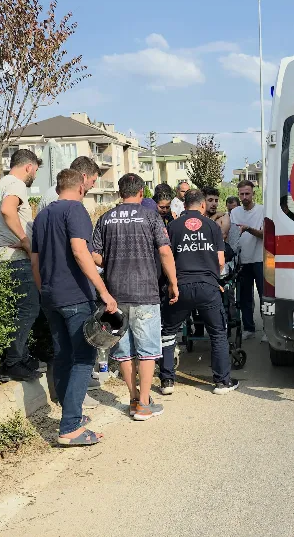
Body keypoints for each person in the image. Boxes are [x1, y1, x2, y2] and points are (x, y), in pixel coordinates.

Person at [31, 169, 117, 446]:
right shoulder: (76, 211)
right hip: (75, 297)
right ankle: (70, 426)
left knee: (64, 355)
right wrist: (104, 292)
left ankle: (72, 416)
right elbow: (80, 251)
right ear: (81, 185)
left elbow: (35, 260)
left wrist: (43, 289)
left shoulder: (42, 214)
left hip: (51, 297)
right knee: (82, 358)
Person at [92, 173, 179, 421]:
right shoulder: (151, 217)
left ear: (121, 192)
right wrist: (173, 282)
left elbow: (93, 254)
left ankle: (132, 399)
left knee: (125, 351)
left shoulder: (105, 219)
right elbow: (164, 252)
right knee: (148, 349)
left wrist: (114, 263)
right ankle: (144, 404)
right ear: (141, 192)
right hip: (145, 293)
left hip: (116, 295)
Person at [159, 189, 240, 395]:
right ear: (202, 205)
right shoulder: (212, 226)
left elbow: (165, 257)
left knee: (169, 332)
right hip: (208, 287)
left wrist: (171, 282)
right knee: (217, 333)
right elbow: (221, 261)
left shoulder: (172, 227)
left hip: (180, 287)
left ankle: (167, 381)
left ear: (184, 205)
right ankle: (222, 382)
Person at [0, 149, 45, 382]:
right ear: (29, 166)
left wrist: (3, 238)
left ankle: (19, 357)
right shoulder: (17, 184)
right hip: (14, 259)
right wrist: (23, 240)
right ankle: (12, 362)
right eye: (36, 170)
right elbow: (7, 210)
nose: (35, 175)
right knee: (29, 308)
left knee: (15, 311)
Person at [230, 180, 265, 341]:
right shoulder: (235, 212)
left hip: (260, 259)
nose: (244, 197)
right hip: (242, 261)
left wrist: (248, 229)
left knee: (265, 296)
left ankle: (267, 329)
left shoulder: (263, 210)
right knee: (245, 297)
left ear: (253, 194)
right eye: (242, 194)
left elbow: (265, 235)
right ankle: (249, 328)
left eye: (247, 194)